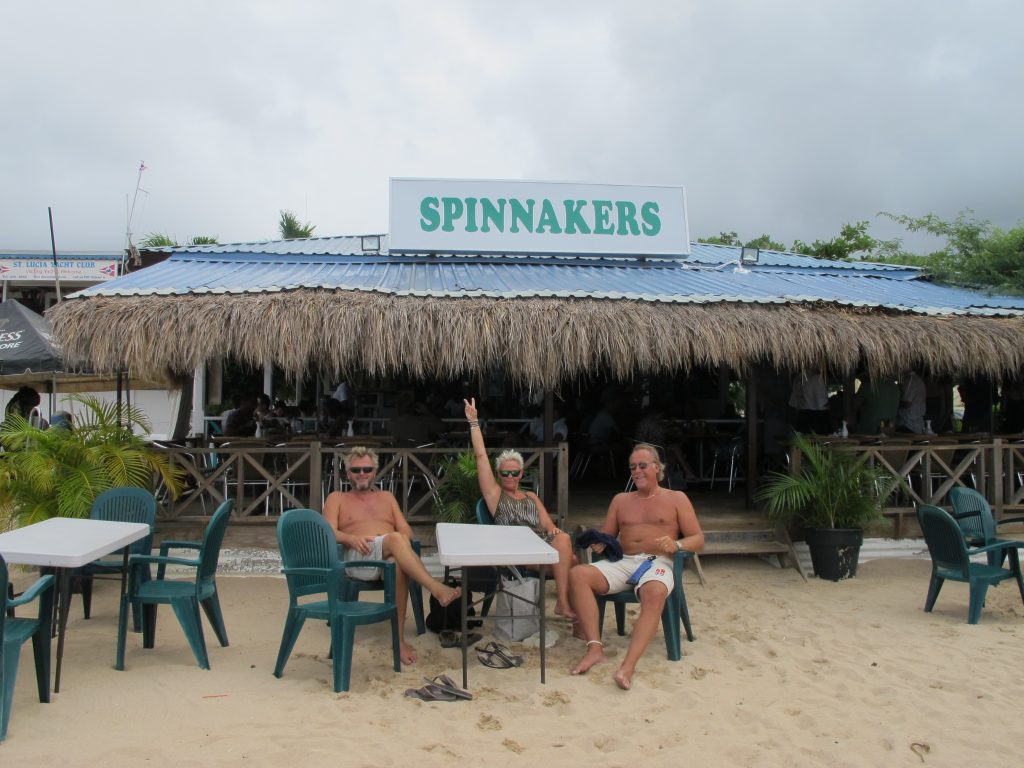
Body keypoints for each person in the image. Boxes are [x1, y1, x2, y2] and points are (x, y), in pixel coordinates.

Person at [569, 443, 704, 690]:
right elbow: (608, 537)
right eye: (633, 467)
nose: (637, 471)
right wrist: (600, 544)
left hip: (658, 561)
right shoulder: (621, 500)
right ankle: (594, 649)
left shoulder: (676, 498)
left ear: (657, 467)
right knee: (578, 574)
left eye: (642, 466)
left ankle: (628, 666)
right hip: (624, 561)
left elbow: (698, 539)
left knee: (654, 592)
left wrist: (676, 544)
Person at [323, 446, 460, 664]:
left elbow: (406, 530)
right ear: (348, 473)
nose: (362, 474)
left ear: (374, 472)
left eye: (367, 469)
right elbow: (328, 531)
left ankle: (399, 642)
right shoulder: (337, 498)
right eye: (356, 470)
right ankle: (435, 588)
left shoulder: (387, 497)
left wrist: (396, 542)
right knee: (396, 540)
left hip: (387, 557)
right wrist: (350, 539)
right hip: (359, 558)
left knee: (397, 560)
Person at [464, 397, 577, 620]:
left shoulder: (531, 496)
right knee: (571, 562)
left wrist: (555, 533)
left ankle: (567, 606)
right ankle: (565, 604)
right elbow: (481, 457)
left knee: (566, 546)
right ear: (499, 475)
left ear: (521, 474)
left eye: (514, 473)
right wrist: (474, 423)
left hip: (540, 546)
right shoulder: (495, 496)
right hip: (516, 549)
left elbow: (548, 525)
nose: (510, 477)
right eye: (505, 473)